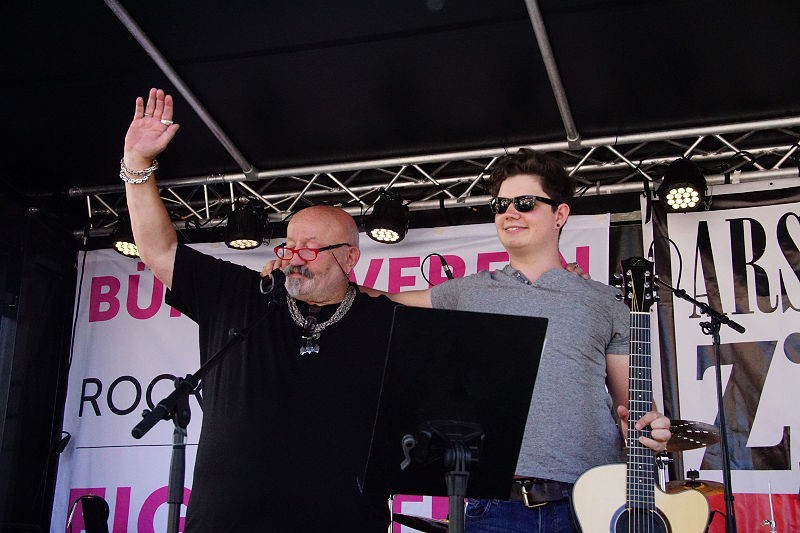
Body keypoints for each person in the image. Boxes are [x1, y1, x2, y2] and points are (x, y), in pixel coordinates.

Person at [317, 149, 671, 532]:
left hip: (592, 503)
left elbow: (632, 407)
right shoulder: (469, 291)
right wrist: (306, 275)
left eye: (525, 203)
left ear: (560, 214)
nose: (510, 213)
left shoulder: (606, 300)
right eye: (501, 205)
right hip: (498, 505)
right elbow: (382, 301)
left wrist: (649, 429)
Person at [121, 88, 399, 531]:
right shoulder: (242, 294)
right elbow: (159, 250)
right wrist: (137, 165)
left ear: (350, 258)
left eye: (311, 248)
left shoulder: (382, 319)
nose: (293, 257)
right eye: (289, 244)